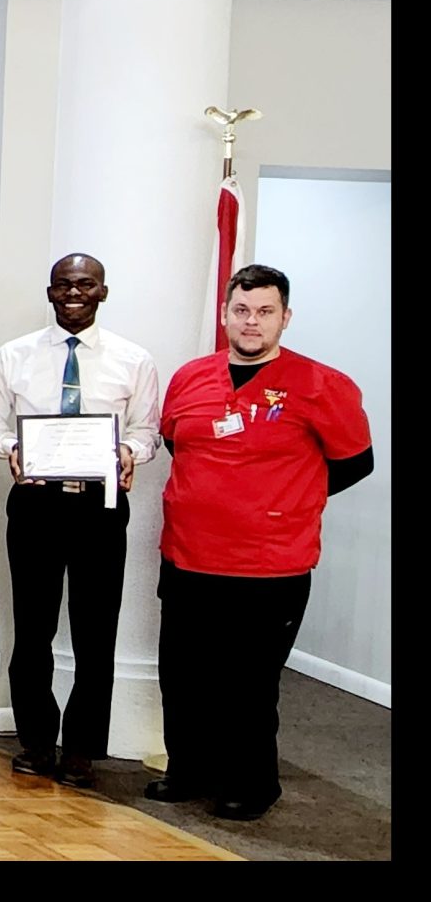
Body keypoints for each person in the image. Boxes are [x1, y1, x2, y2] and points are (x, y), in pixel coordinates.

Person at [150, 264, 373, 822]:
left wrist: (280, 500)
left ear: (285, 317)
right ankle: (189, 769)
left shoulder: (323, 385)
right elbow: (179, 444)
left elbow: (354, 463)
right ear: (225, 314)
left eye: (265, 311)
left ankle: (251, 783)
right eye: (242, 310)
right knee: (185, 673)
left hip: (270, 564)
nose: (252, 322)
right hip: (189, 554)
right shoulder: (190, 378)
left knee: (249, 683)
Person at [0, 254, 160, 788]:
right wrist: (13, 447)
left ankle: (83, 748)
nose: (74, 293)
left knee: (95, 630)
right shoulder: (13, 357)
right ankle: (37, 741)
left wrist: (130, 450)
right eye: (64, 285)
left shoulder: (135, 360)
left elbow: (148, 430)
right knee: (32, 629)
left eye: (85, 284)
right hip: (35, 503)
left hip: (99, 506)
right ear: (50, 292)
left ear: (103, 291)